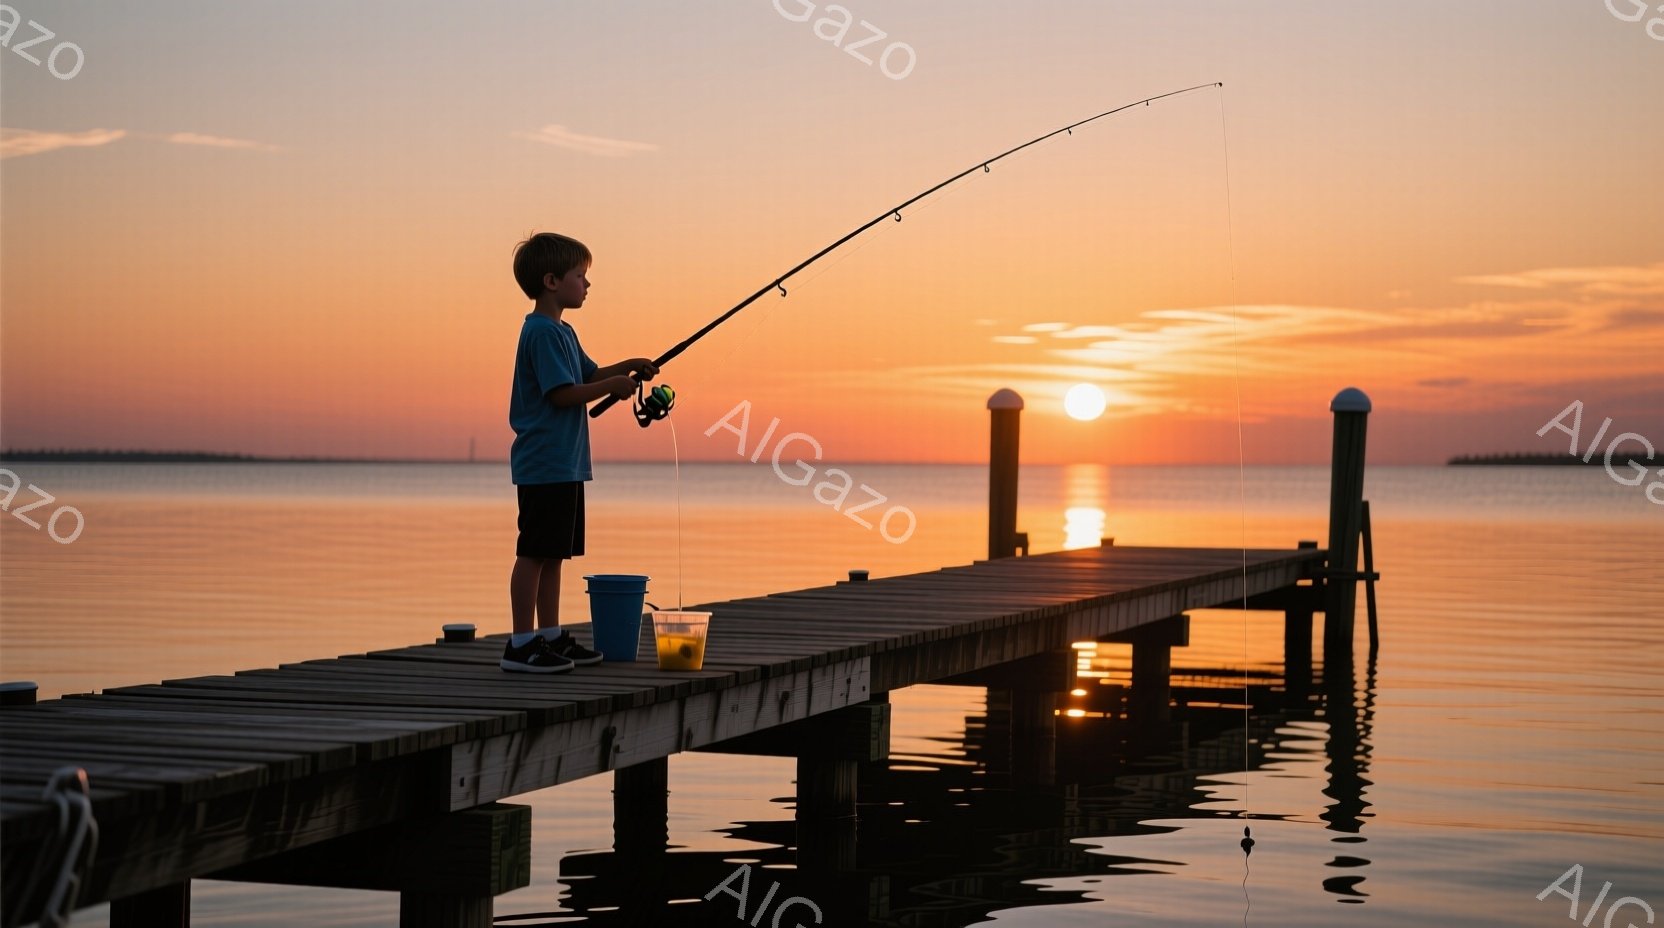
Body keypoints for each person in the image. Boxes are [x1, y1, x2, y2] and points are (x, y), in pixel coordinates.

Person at [502, 232, 658, 673]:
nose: (587, 285)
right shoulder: (542, 333)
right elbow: (563, 394)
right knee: (533, 551)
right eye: (580, 276)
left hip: (565, 463)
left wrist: (627, 367)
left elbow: (589, 373)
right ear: (552, 281)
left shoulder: (563, 332)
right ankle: (519, 643)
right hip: (544, 463)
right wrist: (609, 387)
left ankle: (549, 636)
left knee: (555, 554)